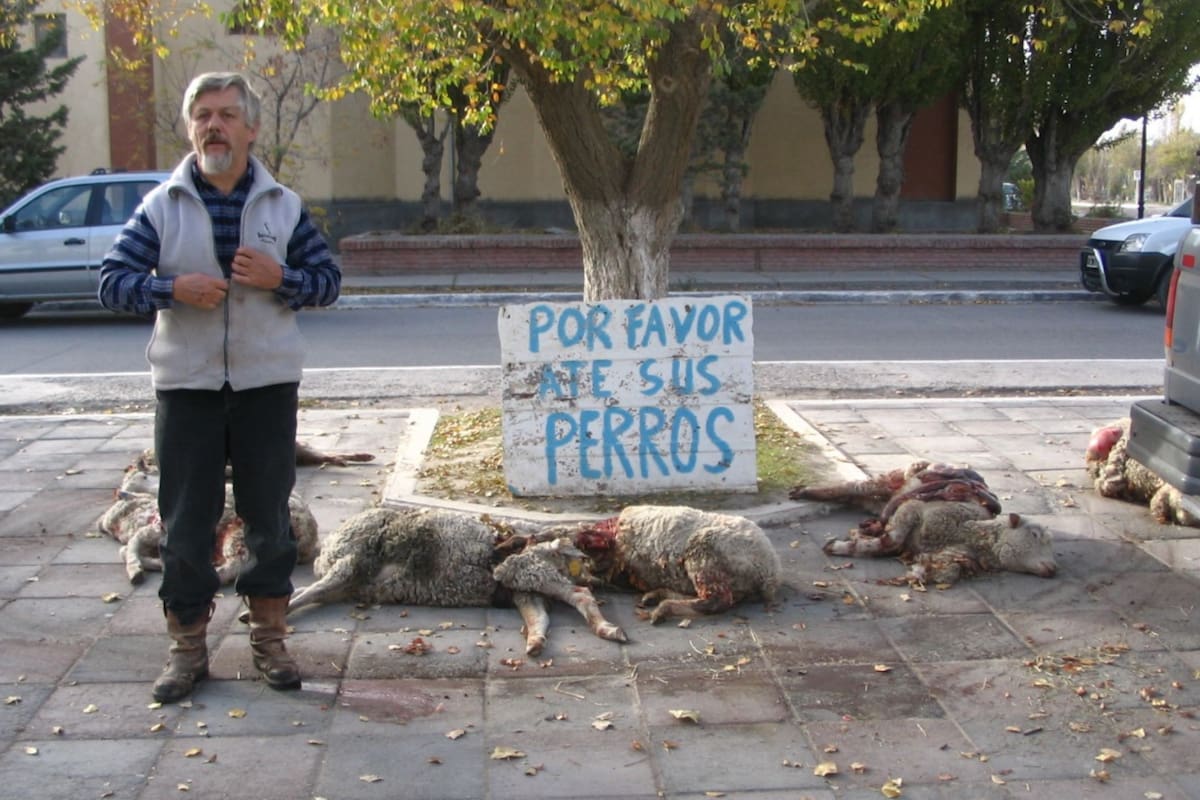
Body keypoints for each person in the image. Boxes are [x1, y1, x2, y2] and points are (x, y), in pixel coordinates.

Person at [98, 72, 341, 703]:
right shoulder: (163, 206)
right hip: (187, 387)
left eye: (228, 114)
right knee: (185, 525)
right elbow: (110, 282)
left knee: (269, 522)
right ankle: (186, 651)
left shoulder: (283, 206)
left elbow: (328, 281)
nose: (214, 126)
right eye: (202, 114)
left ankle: (270, 643)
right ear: (189, 128)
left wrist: (280, 276)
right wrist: (169, 289)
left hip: (266, 385)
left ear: (251, 128)